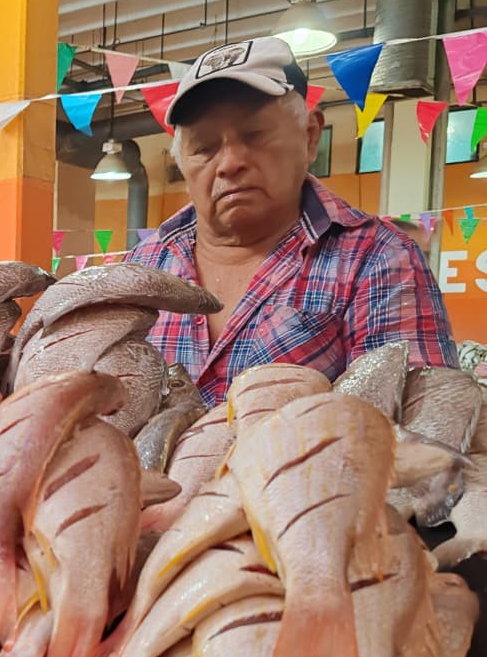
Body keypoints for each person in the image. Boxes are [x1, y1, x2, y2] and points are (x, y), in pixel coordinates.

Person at [127, 37, 456, 407]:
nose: (229, 162)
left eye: (254, 135)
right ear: (183, 163)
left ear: (310, 136)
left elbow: (417, 430)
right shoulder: (142, 268)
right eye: (204, 147)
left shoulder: (379, 258)